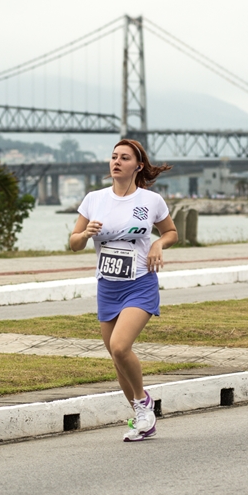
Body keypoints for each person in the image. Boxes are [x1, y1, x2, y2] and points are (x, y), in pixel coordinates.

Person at [69, 139, 178, 441]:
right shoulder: (94, 199)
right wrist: (85, 233)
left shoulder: (150, 200)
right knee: (117, 358)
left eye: (124, 158)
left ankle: (144, 403)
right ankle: (140, 415)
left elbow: (171, 232)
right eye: (114, 156)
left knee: (119, 346)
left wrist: (157, 244)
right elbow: (74, 242)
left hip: (140, 283)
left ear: (138, 166)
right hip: (108, 286)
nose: (116, 161)